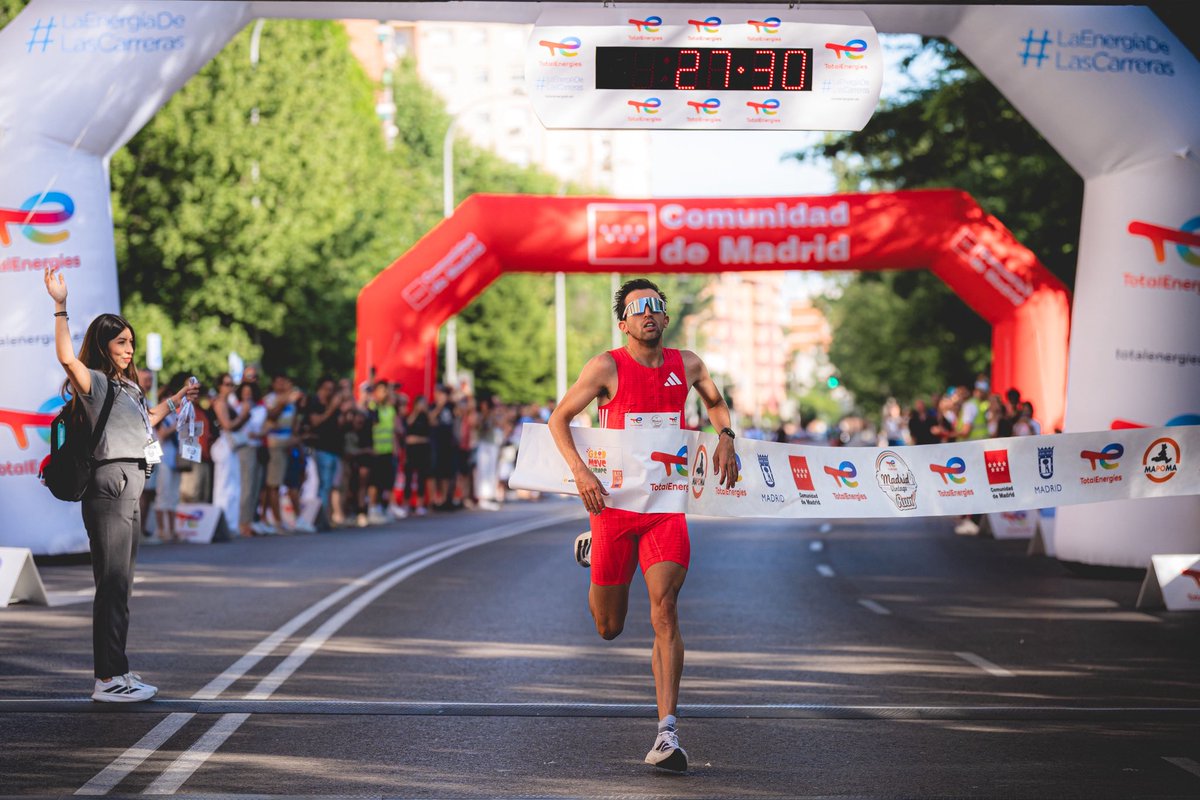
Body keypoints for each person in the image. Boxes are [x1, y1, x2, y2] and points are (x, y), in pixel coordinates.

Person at [547, 278, 738, 773]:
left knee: (666, 610)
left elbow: (714, 401)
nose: (648, 314)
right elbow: (558, 419)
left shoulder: (687, 364)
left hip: (664, 507)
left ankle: (667, 731)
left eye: (656, 306)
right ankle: (594, 549)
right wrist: (581, 471)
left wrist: (726, 436)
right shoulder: (606, 366)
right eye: (638, 309)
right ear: (624, 323)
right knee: (609, 627)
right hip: (613, 507)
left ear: (665, 318)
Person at [44, 267, 200, 702]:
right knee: (111, 583)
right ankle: (107, 680)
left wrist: (175, 401)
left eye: (131, 342)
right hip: (110, 483)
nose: (129, 349)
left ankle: (118, 671)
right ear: (103, 345)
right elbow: (65, 358)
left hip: (132, 482)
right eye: (121, 342)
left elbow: (144, 424)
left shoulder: (127, 388)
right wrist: (60, 305)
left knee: (123, 584)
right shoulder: (93, 382)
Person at [210, 373, 247, 537]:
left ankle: (231, 523)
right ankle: (222, 523)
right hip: (224, 444)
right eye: (226, 384)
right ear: (219, 386)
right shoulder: (219, 402)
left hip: (231, 446)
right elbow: (227, 425)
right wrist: (243, 415)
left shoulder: (229, 402)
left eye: (232, 384)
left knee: (233, 485)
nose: (229, 387)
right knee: (224, 485)